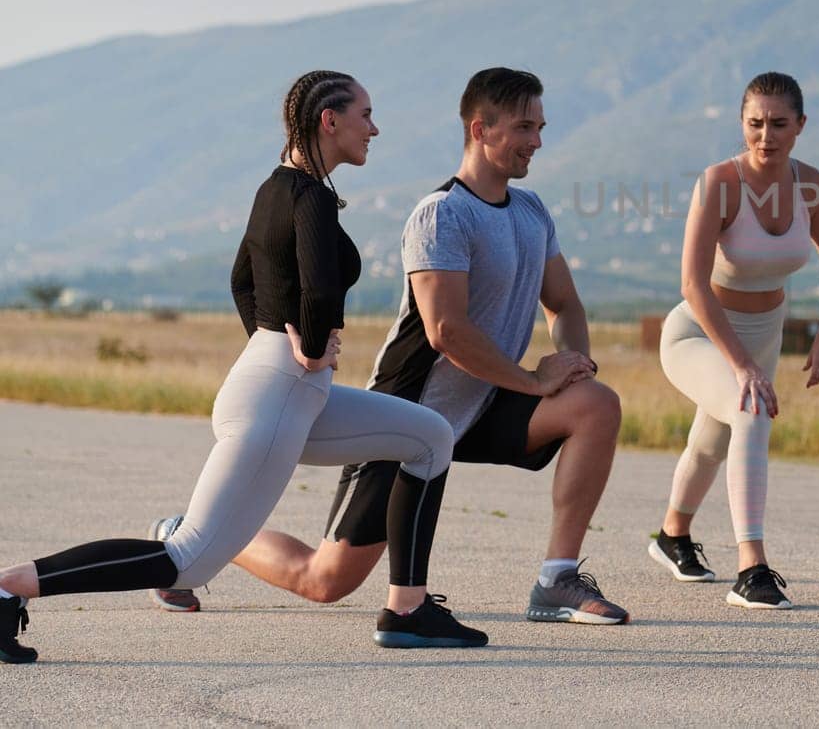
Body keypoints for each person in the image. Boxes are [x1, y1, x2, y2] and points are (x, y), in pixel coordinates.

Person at [0, 71, 485, 665]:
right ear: (328, 121)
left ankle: (409, 609)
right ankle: (8, 585)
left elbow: (240, 280)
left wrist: (274, 341)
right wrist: (308, 346)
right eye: (365, 115)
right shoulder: (307, 195)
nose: (374, 128)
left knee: (430, 437)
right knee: (188, 559)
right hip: (280, 393)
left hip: (284, 386)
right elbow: (319, 286)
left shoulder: (276, 187)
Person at [151, 67, 629, 626]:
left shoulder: (531, 213)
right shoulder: (442, 214)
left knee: (597, 403)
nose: (537, 142)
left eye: (541, 127)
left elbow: (564, 305)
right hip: (409, 412)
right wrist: (533, 380)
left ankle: (557, 579)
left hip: (491, 401)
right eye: (525, 127)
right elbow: (445, 332)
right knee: (324, 580)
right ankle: (185, 538)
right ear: (481, 129)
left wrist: (570, 367)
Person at [649, 72, 819, 609]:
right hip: (699, 330)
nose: (766, 136)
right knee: (753, 412)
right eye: (755, 124)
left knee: (714, 443)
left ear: (801, 126)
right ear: (742, 124)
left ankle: (672, 535)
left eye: (779, 124)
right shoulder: (719, 182)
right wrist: (741, 366)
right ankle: (752, 568)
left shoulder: (811, 185)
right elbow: (692, 283)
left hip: (766, 333)